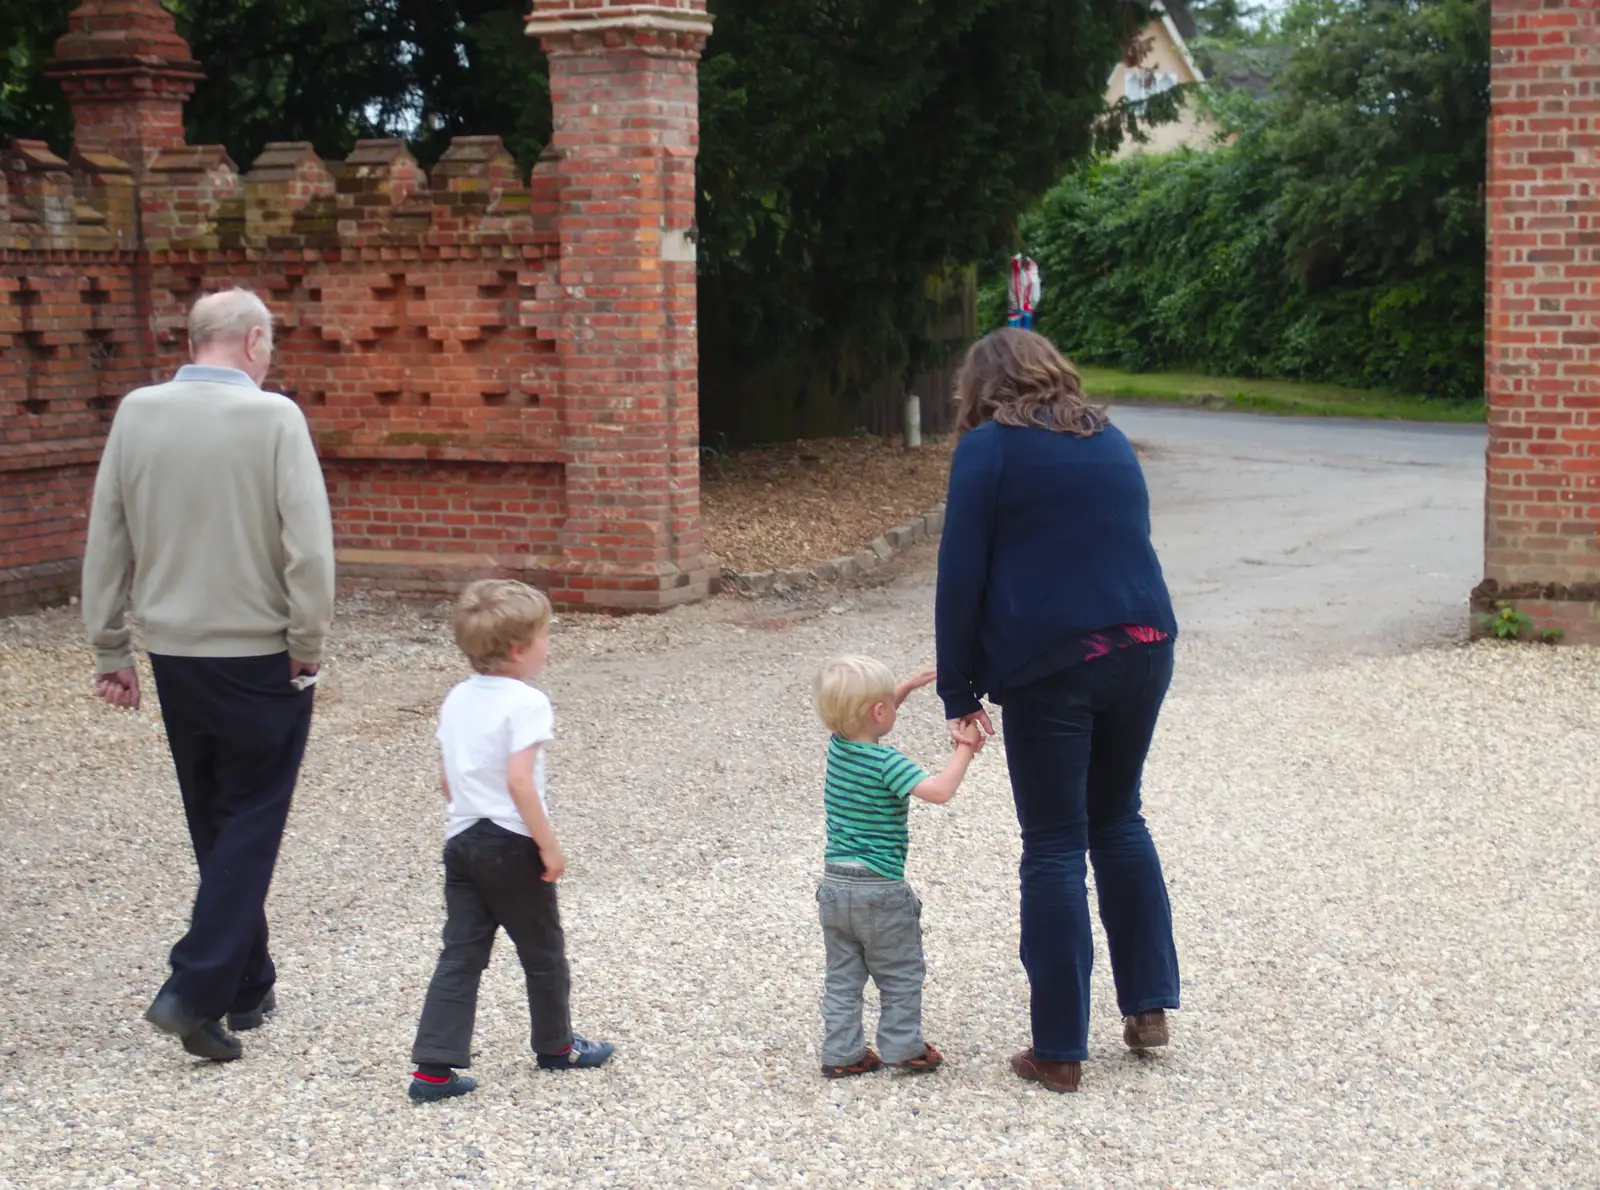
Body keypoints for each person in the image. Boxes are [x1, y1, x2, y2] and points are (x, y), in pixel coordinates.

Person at [82, 287, 336, 1062]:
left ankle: (248, 980)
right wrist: (309, 638)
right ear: (254, 341)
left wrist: (110, 648)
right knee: (254, 817)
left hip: (175, 653)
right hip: (258, 648)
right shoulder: (274, 418)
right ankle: (195, 986)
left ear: (196, 341)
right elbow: (309, 548)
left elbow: (108, 534)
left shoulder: (137, 413)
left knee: (215, 816)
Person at [935, 328, 1181, 1094]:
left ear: (982, 388)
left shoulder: (988, 450)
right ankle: (1147, 1008)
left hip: (1054, 663)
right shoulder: (1109, 436)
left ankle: (1059, 1051)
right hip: (1144, 644)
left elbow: (960, 575)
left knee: (1052, 844)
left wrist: (958, 689)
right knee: (1118, 818)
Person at [408, 579, 613, 1103]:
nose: (549, 645)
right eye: (546, 636)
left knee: (461, 953)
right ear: (520, 648)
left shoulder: (457, 698)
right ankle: (556, 1045)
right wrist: (548, 845)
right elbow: (520, 783)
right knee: (543, 950)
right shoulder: (526, 702)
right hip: (510, 842)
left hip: (462, 840)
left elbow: (447, 780)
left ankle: (433, 1068)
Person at [810, 655, 982, 1079]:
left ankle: (842, 1052)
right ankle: (904, 1047)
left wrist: (903, 689)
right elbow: (940, 791)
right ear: (879, 712)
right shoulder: (890, 765)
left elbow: (865, 718)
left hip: (834, 888)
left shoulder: (839, 747)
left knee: (843, 977)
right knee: (900, 972)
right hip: (880, 889)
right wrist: (966, 747)